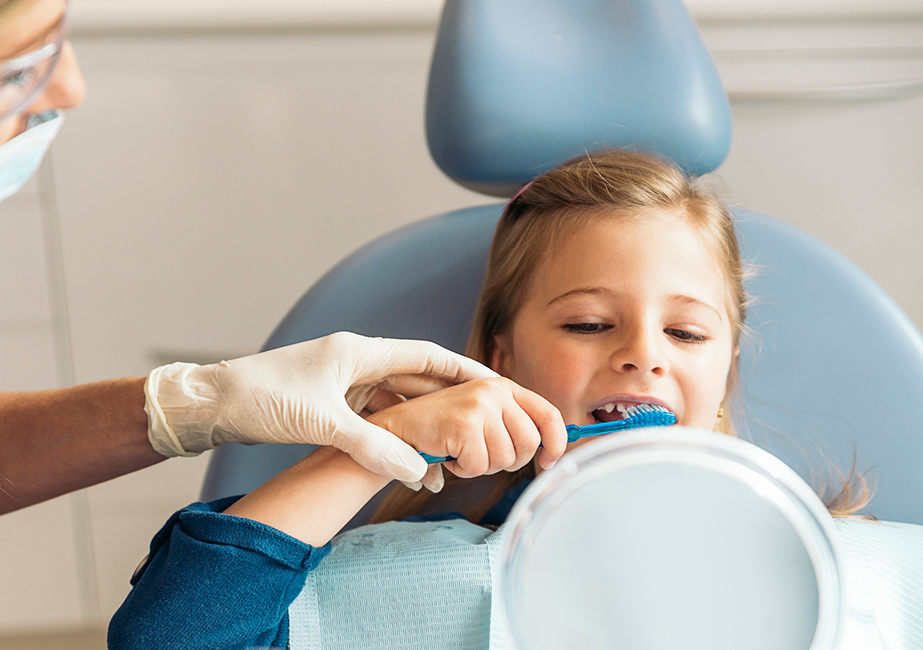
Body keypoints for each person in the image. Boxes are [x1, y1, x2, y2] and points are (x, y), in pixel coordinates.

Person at [0, 1, 567, 648]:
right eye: (11, 72)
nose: (71, 90)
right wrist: (358, 462)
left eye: (690, 332)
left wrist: (198, 403)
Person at [110, 149, 872, 648]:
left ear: (729, 366)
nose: (643, 353)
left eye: (688, 333)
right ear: (500, 361)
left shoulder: (846, 566)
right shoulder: (408, 582)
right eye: (589, 323)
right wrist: (379, 446)